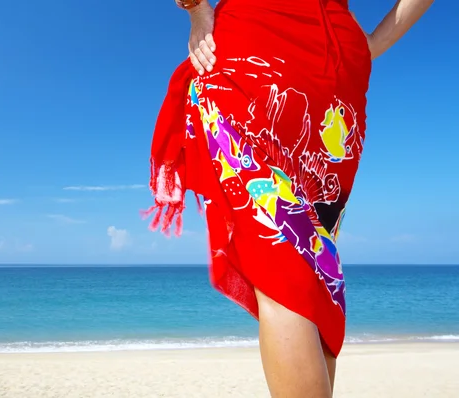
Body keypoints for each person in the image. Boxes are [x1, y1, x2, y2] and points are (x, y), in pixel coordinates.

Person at [143, 0, 434, 396]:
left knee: (282, 273)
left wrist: (196, 9)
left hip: (254, 41)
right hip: (339, 67)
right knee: (313, 264)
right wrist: (371, 43)